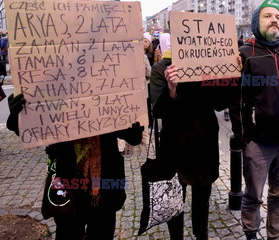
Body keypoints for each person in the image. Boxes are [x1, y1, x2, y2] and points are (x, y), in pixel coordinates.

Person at [7, 94, 144, 240]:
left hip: (105, 186)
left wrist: (130, 115)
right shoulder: (54, 86)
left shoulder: (109, 90)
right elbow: (28, 132)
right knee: (68, 232)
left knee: (102, 232)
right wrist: (19, 113)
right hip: (67, 185)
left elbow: (134, 138)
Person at [229, 0, 279, 240]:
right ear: (257, 22)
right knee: (253, 195)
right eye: (267, 16)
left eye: (277, 16)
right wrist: (245, 138)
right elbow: (236, 102)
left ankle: (275, 235)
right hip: (259, 143)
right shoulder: (245, 55)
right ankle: (251, 233)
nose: (274, 19)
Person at [150, 48, 229, 240]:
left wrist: (229, 73)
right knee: (175, 201)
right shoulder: (161, 68)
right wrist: (172, 90)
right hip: (175, 147)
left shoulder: (207, 65)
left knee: (202, 199)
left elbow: (220, 102)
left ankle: (201, 235)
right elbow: (158, 110)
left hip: (204, 144)